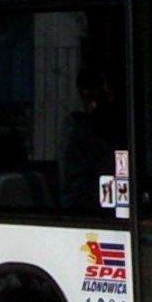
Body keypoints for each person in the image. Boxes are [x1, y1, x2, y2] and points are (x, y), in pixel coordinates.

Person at [58, 66, 121, 209]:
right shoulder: (78, 131)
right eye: (89, 99)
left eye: (103, 97)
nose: (94, 105)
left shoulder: (117, 129)